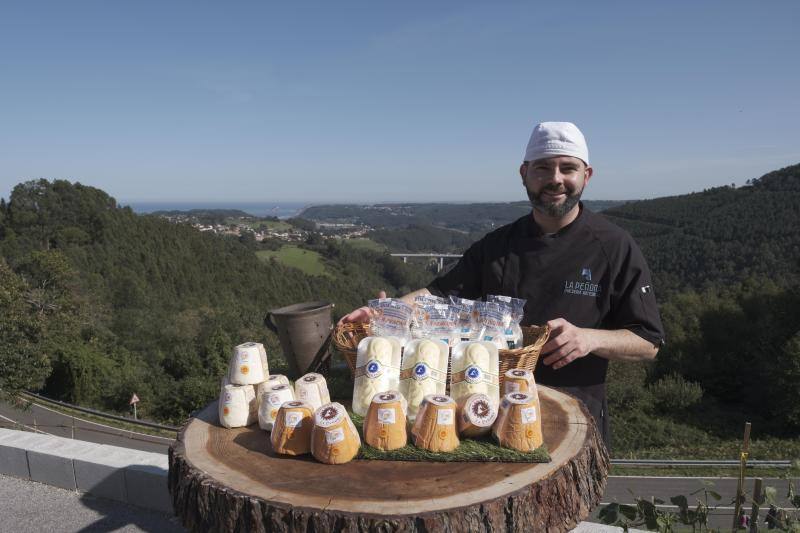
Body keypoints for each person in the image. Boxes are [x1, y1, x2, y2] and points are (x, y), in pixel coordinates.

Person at [340, 121, 665, 448]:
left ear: (587, 175)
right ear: (524, 173)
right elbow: (438, 293)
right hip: (490, 420)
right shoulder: (497, 245)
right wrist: (386, 313)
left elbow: (648, 342)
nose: (555, 179)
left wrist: (589, 338)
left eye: (568, 168)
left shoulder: (614, 247)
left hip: (573, 421)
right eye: (543, 168)